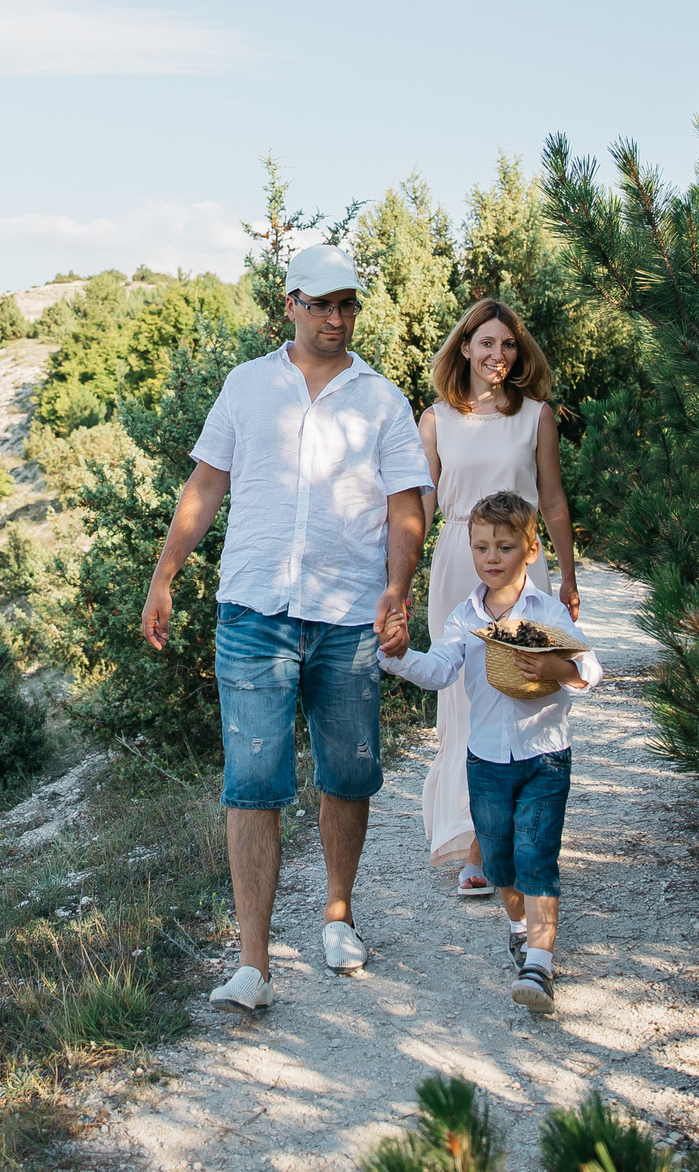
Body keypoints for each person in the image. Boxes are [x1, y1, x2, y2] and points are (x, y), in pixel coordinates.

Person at [139, 242, 431, 1015]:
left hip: (347, 615)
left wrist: (399, 587)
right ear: (291, 302)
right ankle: (253, 964)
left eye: (348, 305)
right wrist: (165, 573)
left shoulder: (382, 400)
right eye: (323, 303)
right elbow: (206, 483)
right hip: (254, 612)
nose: (337, 318)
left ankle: (338, 916)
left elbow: (409, 504)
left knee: (347, 772)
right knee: (253, 784)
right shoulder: (246, 386)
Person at [378, 489, 597, 1015]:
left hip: (545, 754)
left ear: (531, 549)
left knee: (536, 856)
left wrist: (557, 670)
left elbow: (592, 670)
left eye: (503, 547)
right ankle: (520, 928)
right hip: (487, 761)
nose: (491, 558)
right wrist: (402, 655)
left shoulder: (546, 613)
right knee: (499, 860)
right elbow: (440, 671)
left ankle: (540, 965)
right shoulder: (464, 617)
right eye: (481, 548)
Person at [415, 298, 578, 894]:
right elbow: (422, 506)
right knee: (462, 699)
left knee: (518, 691)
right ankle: (475, 841)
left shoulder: (536, 416)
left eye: (508, 345)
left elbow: (553, 499)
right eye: (486, 343)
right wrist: (399, 578)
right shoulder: (435, 419)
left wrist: (566, 573)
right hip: (459, 557)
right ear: (464, 347)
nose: (498, 355)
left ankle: (516, 831)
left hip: (519, 566)